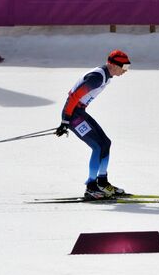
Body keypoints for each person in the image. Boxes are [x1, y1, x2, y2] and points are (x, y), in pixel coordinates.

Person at [55, 50, 131, 199]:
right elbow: (73, 97)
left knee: (106, 143)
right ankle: (91, 187)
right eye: (124, 67)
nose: (125, 71)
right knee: (97, 146)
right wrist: (65, 121)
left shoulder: (105, 76)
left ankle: (102, 182)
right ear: (113, 64)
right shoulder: (97, 77)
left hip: (79, 113)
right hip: (73, 115)